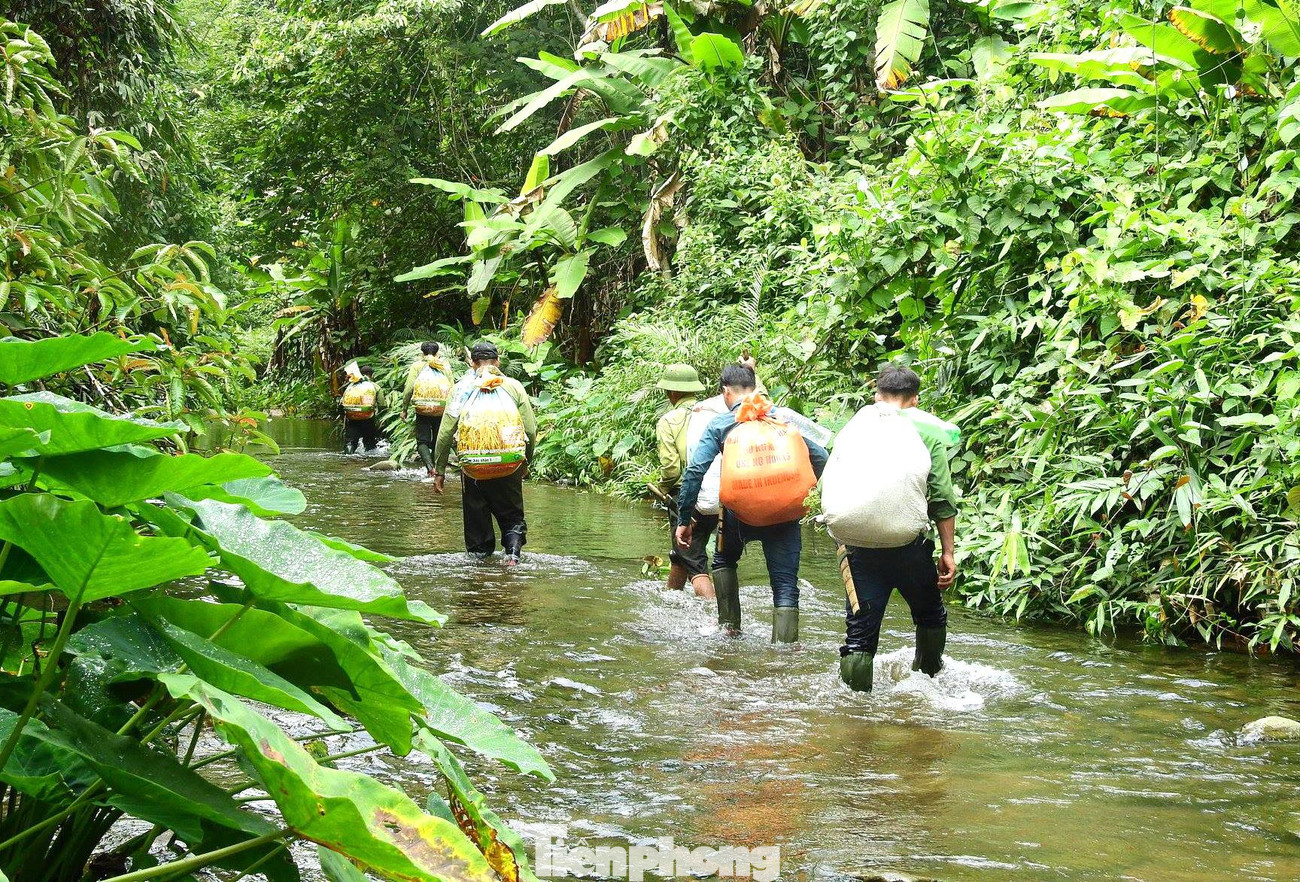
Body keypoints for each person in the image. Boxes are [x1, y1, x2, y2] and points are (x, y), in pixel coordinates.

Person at [820, 364, 958, 692]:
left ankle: (855, 713)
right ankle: (927, 687)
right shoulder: (927, 433)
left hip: (858, 548)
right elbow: (941, 496)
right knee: (930, 615)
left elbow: (826, 486)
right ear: (915, 400)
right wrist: (948, 552)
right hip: (910, 547)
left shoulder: (855, 430)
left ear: (877, 396)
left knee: (859, 636)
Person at [675, 364, 828, 643]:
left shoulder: (721, 424)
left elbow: (695, 472)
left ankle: (729, 631)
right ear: (755, 389)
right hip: (784, 515)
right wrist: (819, 499)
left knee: (724, 560)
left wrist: (684, 520)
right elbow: (820, 457)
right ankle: (784, 649)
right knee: (785, 584)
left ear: (726, 392)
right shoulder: (782, 419)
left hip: (738, 514)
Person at [432, 341, 537, 565]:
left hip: (473, 466)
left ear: (472, 363)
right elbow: (529, 429)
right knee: (512, 515)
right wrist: (525, 461)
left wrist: (439, 470)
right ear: (498, 362)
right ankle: (512, 555)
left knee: (476, 518)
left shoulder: (461, 389)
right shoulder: (513, 386)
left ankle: (479, 567)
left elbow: (446, 432)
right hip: (509, 462)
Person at [654, 363, 715, 597]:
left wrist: (662, 487)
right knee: (682, 552)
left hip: (688, 495)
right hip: (718, 492)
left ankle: (712, 610)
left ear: (671, 392)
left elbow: (671, 469)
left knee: (694, 559)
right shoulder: (712, 414)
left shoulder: (669, 421)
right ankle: (671, 598)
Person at [400, 341, 456, 478]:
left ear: (422, 353)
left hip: (422, 409)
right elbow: (453, 388)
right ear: (437, 353)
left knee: (422, 441)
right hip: (441, 409)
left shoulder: (417, 366)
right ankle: (437, 470)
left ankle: (430, 468)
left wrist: (404, 408)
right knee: (438, 439)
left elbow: (409, 388)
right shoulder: (444, 366)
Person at [341, 364, 385, 454]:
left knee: (350, 442)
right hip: (368, 418)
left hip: (352, 418)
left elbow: (342, 402)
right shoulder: (375, 387)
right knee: (369, 443)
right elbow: (382, 405)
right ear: (372, 375)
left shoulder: (352, 386)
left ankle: (348, 456)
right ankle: (369, 459)